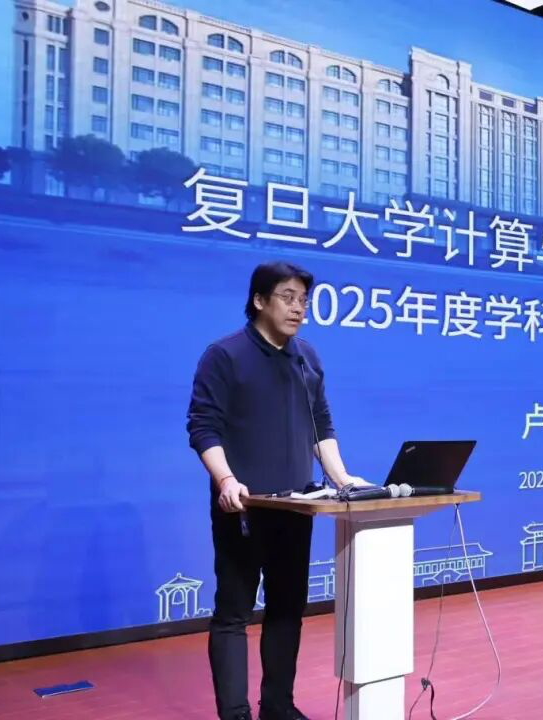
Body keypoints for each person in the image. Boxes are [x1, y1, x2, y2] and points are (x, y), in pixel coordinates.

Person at [187, 261, 368, 720]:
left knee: (287, 608)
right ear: (259, 300)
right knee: (234, 612)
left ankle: (277, 706)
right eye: (288, 297)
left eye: (304, 300)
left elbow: (320, 426)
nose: (298, 308)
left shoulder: (307, 359)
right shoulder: (224, 355)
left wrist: (344, 480)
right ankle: (235, 713)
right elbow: (203, 427)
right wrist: (226, 480)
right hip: (243, 508)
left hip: (296, 507)